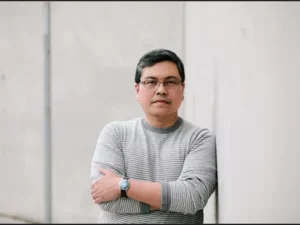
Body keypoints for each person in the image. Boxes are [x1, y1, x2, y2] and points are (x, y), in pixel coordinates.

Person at [90, 48, 217, 224]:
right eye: (151, 82)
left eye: (170, 82)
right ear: (137, 90)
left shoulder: (199, 139)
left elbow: (192, 197)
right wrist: (170, 200)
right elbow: (104, 197)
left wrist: (123, 185)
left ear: (182, 89)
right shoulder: (115, 134)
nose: (161, 90)